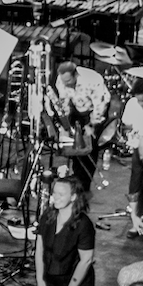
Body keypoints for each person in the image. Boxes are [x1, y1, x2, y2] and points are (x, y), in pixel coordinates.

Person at [53, 61, 111, 192]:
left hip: (95, 110)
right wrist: (65, 123)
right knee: (76, 144)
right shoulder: (61, 81)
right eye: (64, 81)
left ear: (76, 75)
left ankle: (85, 184)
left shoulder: (93, 80)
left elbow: (100, 106)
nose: (66, 84)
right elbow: (64, 102)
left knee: (89, 147)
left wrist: (92, 125)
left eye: (69, 81)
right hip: (77, 108)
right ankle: (76, 178)